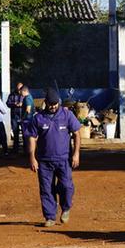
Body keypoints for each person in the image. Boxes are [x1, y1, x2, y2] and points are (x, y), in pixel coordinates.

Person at [24, 88, 81, 227]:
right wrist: (32, 157)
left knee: (66, 186)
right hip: (44, 161)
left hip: (63, 159)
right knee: (46, 189)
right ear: (46, 103)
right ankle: (49, 216)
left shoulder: (67, 115)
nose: (53, 106)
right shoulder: (38, 118)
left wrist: (76, 153)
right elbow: (32, 138)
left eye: (55, 103)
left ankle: (66, 208)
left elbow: (77, 133)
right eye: (51, 104)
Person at [6, 82, 32, 154]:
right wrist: (14, 104)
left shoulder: (25, 95)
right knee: (15, 133)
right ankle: (15, 150)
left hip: (23, 116)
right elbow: (8, 103)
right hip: (15, 116)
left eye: (20, 88)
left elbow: (28, 107)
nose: (19, 90)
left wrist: (22, 105)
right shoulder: (12, 95)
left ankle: (26, 150)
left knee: (24, 134)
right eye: (18, 89)